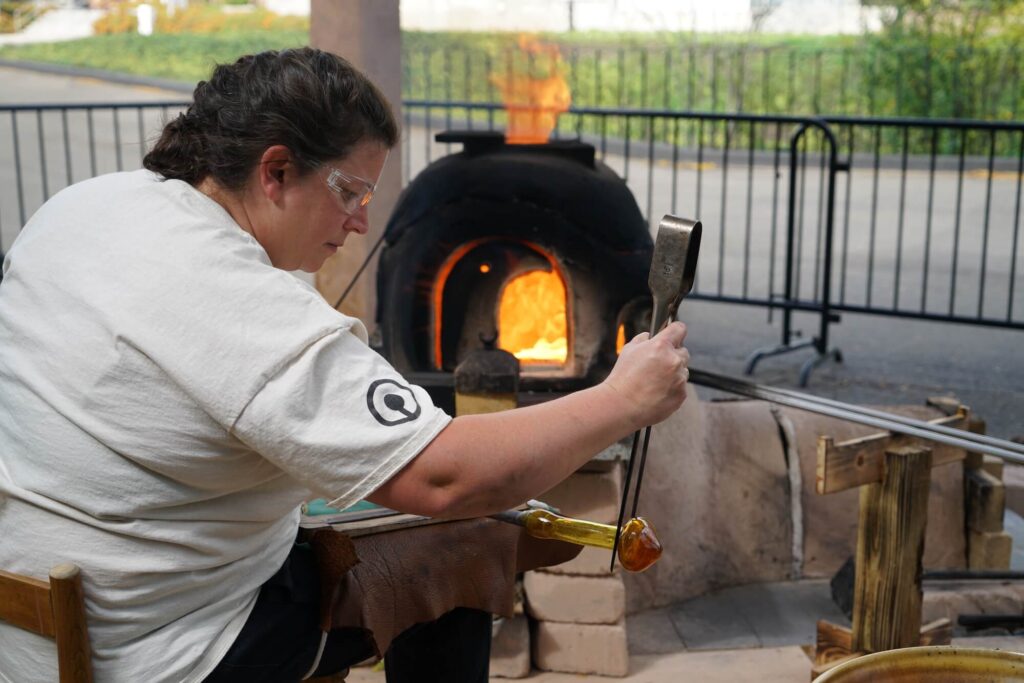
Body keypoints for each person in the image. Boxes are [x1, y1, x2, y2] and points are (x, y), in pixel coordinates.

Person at [0, 47, 690, 682]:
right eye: (350, 192)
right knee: (464, 541)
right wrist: (621, 400)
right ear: (275, 171)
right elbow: (446, 477)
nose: (361, 220)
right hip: (161, 645)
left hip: (28, 622)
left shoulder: (84, 205)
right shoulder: (240, 300)